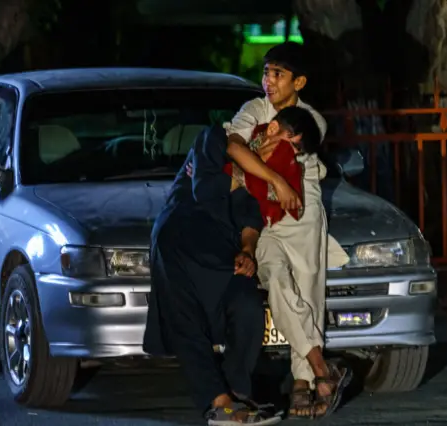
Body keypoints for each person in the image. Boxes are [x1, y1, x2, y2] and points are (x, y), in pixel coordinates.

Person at [224, 43, 352, 419]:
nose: (268, 82)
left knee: (307, 290)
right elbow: (235, 148)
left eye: (277, 74)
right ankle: (321, 371)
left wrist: (260, 156)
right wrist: (275, 180)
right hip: (263, 211)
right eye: (266, 73)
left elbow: (256, 151)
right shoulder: (253, 109)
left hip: (302, 208)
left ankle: (302, 384)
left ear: (299, 81)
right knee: (277, 280)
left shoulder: (311, 119)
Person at [144, 125, 288, 426]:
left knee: (247, 305)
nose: (273, 149)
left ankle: (236, 389)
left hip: (220, 249)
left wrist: (247, 252)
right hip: (179, 238)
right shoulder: (213, 139)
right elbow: (206, 190)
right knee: (187, 322)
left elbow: (251, 222)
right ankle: (217, 401)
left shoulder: (260, 177)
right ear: (258, 135)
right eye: (273, 140)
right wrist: (252, 173)